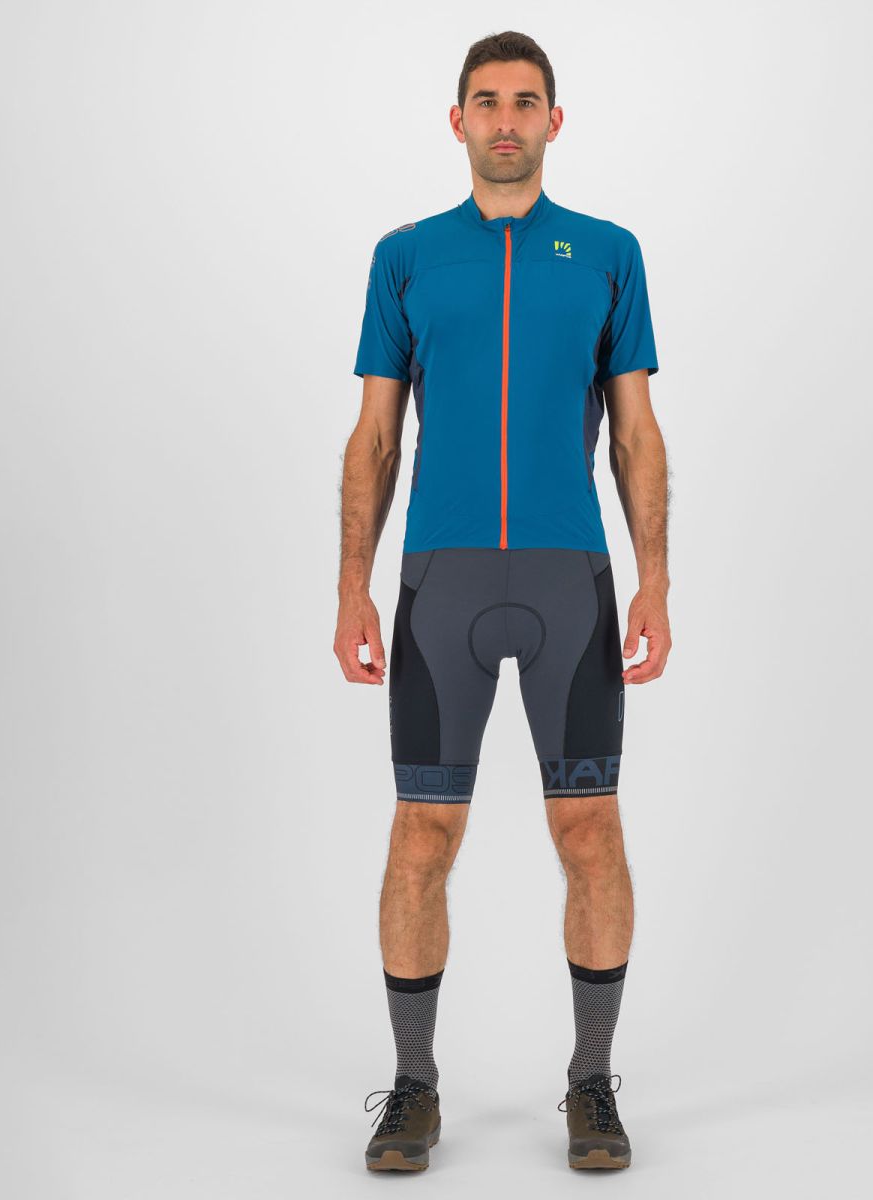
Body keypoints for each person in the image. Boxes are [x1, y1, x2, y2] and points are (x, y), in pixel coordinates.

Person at [335, 30, 671, 1172]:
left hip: (572, 581)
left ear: (554, 122)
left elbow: (636, 433)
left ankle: (592, 1084)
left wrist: (656, 580)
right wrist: (352, 588)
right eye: (487, 101)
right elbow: (375, 437)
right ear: (458, 121)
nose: (507, 120)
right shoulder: (406, 257)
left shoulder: (610, 254)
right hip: (442, 585)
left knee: (592, 831)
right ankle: (413, 1088)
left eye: (527, 102)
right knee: (421, 834)